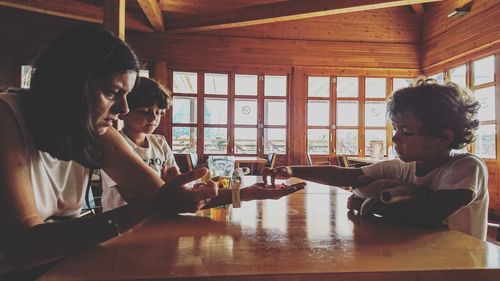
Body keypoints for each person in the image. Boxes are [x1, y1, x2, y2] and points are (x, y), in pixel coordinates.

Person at [0, 24, 303, 277]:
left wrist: (239, 193)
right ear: (67, 85)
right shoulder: (6, 120)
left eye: (127, 96)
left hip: (67, 266)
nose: (124, 109)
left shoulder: (96, 130)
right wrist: (153, 205)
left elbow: (163, 197)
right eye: (111, 93)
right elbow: (22, 249)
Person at [262, 78, 489, 240]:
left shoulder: (466, 167)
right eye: (396, 128)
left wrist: (367, 205)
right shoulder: (404, 167)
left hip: (464, 267)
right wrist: (293, 170)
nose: (395, 137)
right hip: (420, 260)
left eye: (406, 132)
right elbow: (349, 175)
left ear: (443, 137)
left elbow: (429, 214)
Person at [100, 77, 178, 211]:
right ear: (124, 112)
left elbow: (175, 179)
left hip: (157, 218)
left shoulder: (160, 142)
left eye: (159, 112)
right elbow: (131, 195)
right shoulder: (112, 143)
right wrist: (166, 184)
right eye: (145, 111)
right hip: (122, 221)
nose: (154, 117)